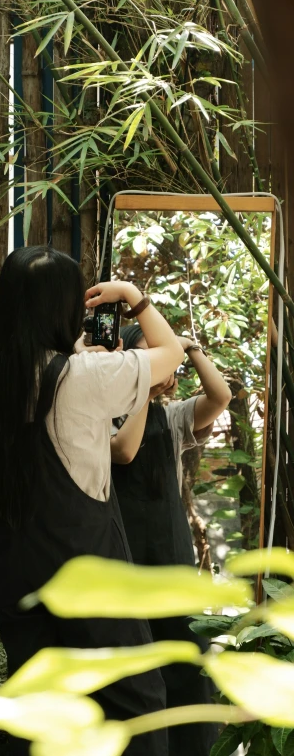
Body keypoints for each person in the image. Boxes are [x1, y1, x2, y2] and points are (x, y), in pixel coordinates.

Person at [0, 246, 184, 756]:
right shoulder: (80, 378)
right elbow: (170, 354)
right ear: (62, 310)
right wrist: (133, 297)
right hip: (87, 570)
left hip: (19, 572)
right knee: (139, 705)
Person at [110, 323, 232, 756]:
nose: (163, 364)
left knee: (188, 669)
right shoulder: (105, 416)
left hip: (172, 560)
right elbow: (123, 451)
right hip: (123, 563)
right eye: (150, 354)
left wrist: (190, 348)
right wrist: (143, 388)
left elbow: (221, 398)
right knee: (137, 678)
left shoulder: (174, 415)